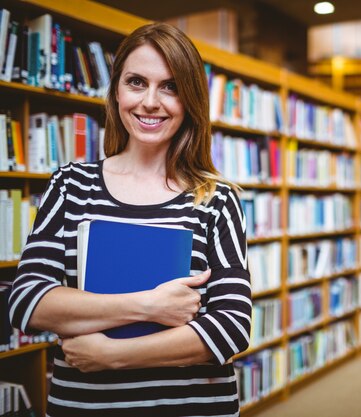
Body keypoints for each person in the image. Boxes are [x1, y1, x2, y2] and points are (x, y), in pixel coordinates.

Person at [9, 22, 251, 416]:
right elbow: (27, 302)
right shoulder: (71, 186)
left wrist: (114, 355)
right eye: (137, 82)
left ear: (190, 99)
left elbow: (232, 327)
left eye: (170, 86)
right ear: (117, 91)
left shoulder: (216, 199)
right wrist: (149, 306)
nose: (151, 102)